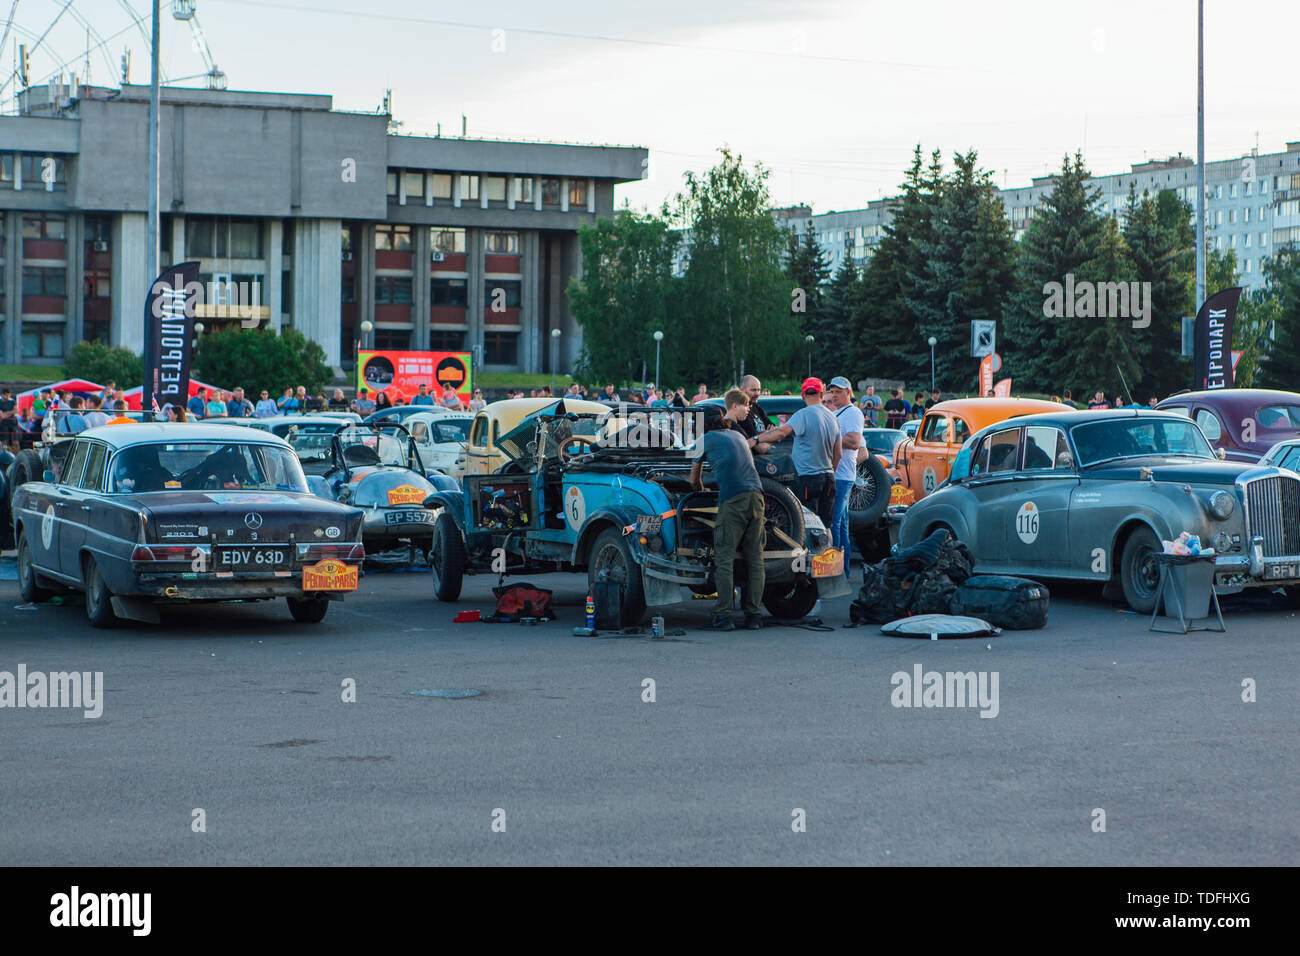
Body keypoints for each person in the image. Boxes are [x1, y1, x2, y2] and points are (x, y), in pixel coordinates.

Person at [690, 396, 765, 632]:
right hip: (758, 496)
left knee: (724, 557)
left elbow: (693, 479)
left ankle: (723, 616)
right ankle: (754, 616)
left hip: (733, 500)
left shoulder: (704, 439)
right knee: (755, 559)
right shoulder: (738, 436)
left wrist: (700, 490)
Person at [755, 378, 841, 529]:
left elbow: (782, 432)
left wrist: (756, 438)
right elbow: (838, 453)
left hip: (808, 477)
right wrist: (831, 470)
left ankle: (810, 553)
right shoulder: (832, 418)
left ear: (803, 395)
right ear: (821, 394)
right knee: (826, 526)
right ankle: (828, 552)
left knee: (806, 525)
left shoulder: (803, 415)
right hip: (829, 477)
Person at [824, 376, 864, 574]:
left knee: (834, 522)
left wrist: (830, 437)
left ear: (848, 392)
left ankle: (836, 570)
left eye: (838, 391)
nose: (834, 395)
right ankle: (844, 570)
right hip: (839, 473)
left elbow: (855, 441)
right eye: (832, 391)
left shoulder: (853, 413)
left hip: (842, 475)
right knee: (841, 525)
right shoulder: (839, 413)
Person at [733, 374, 775, 453]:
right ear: (742, 390)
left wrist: (762, 436)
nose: (757, 393)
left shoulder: (755, 407)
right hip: (752, 461)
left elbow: (774, 429)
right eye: (753, 390)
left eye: (759, 390)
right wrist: (769, 436)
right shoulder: (742, 415)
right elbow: (760, 448)